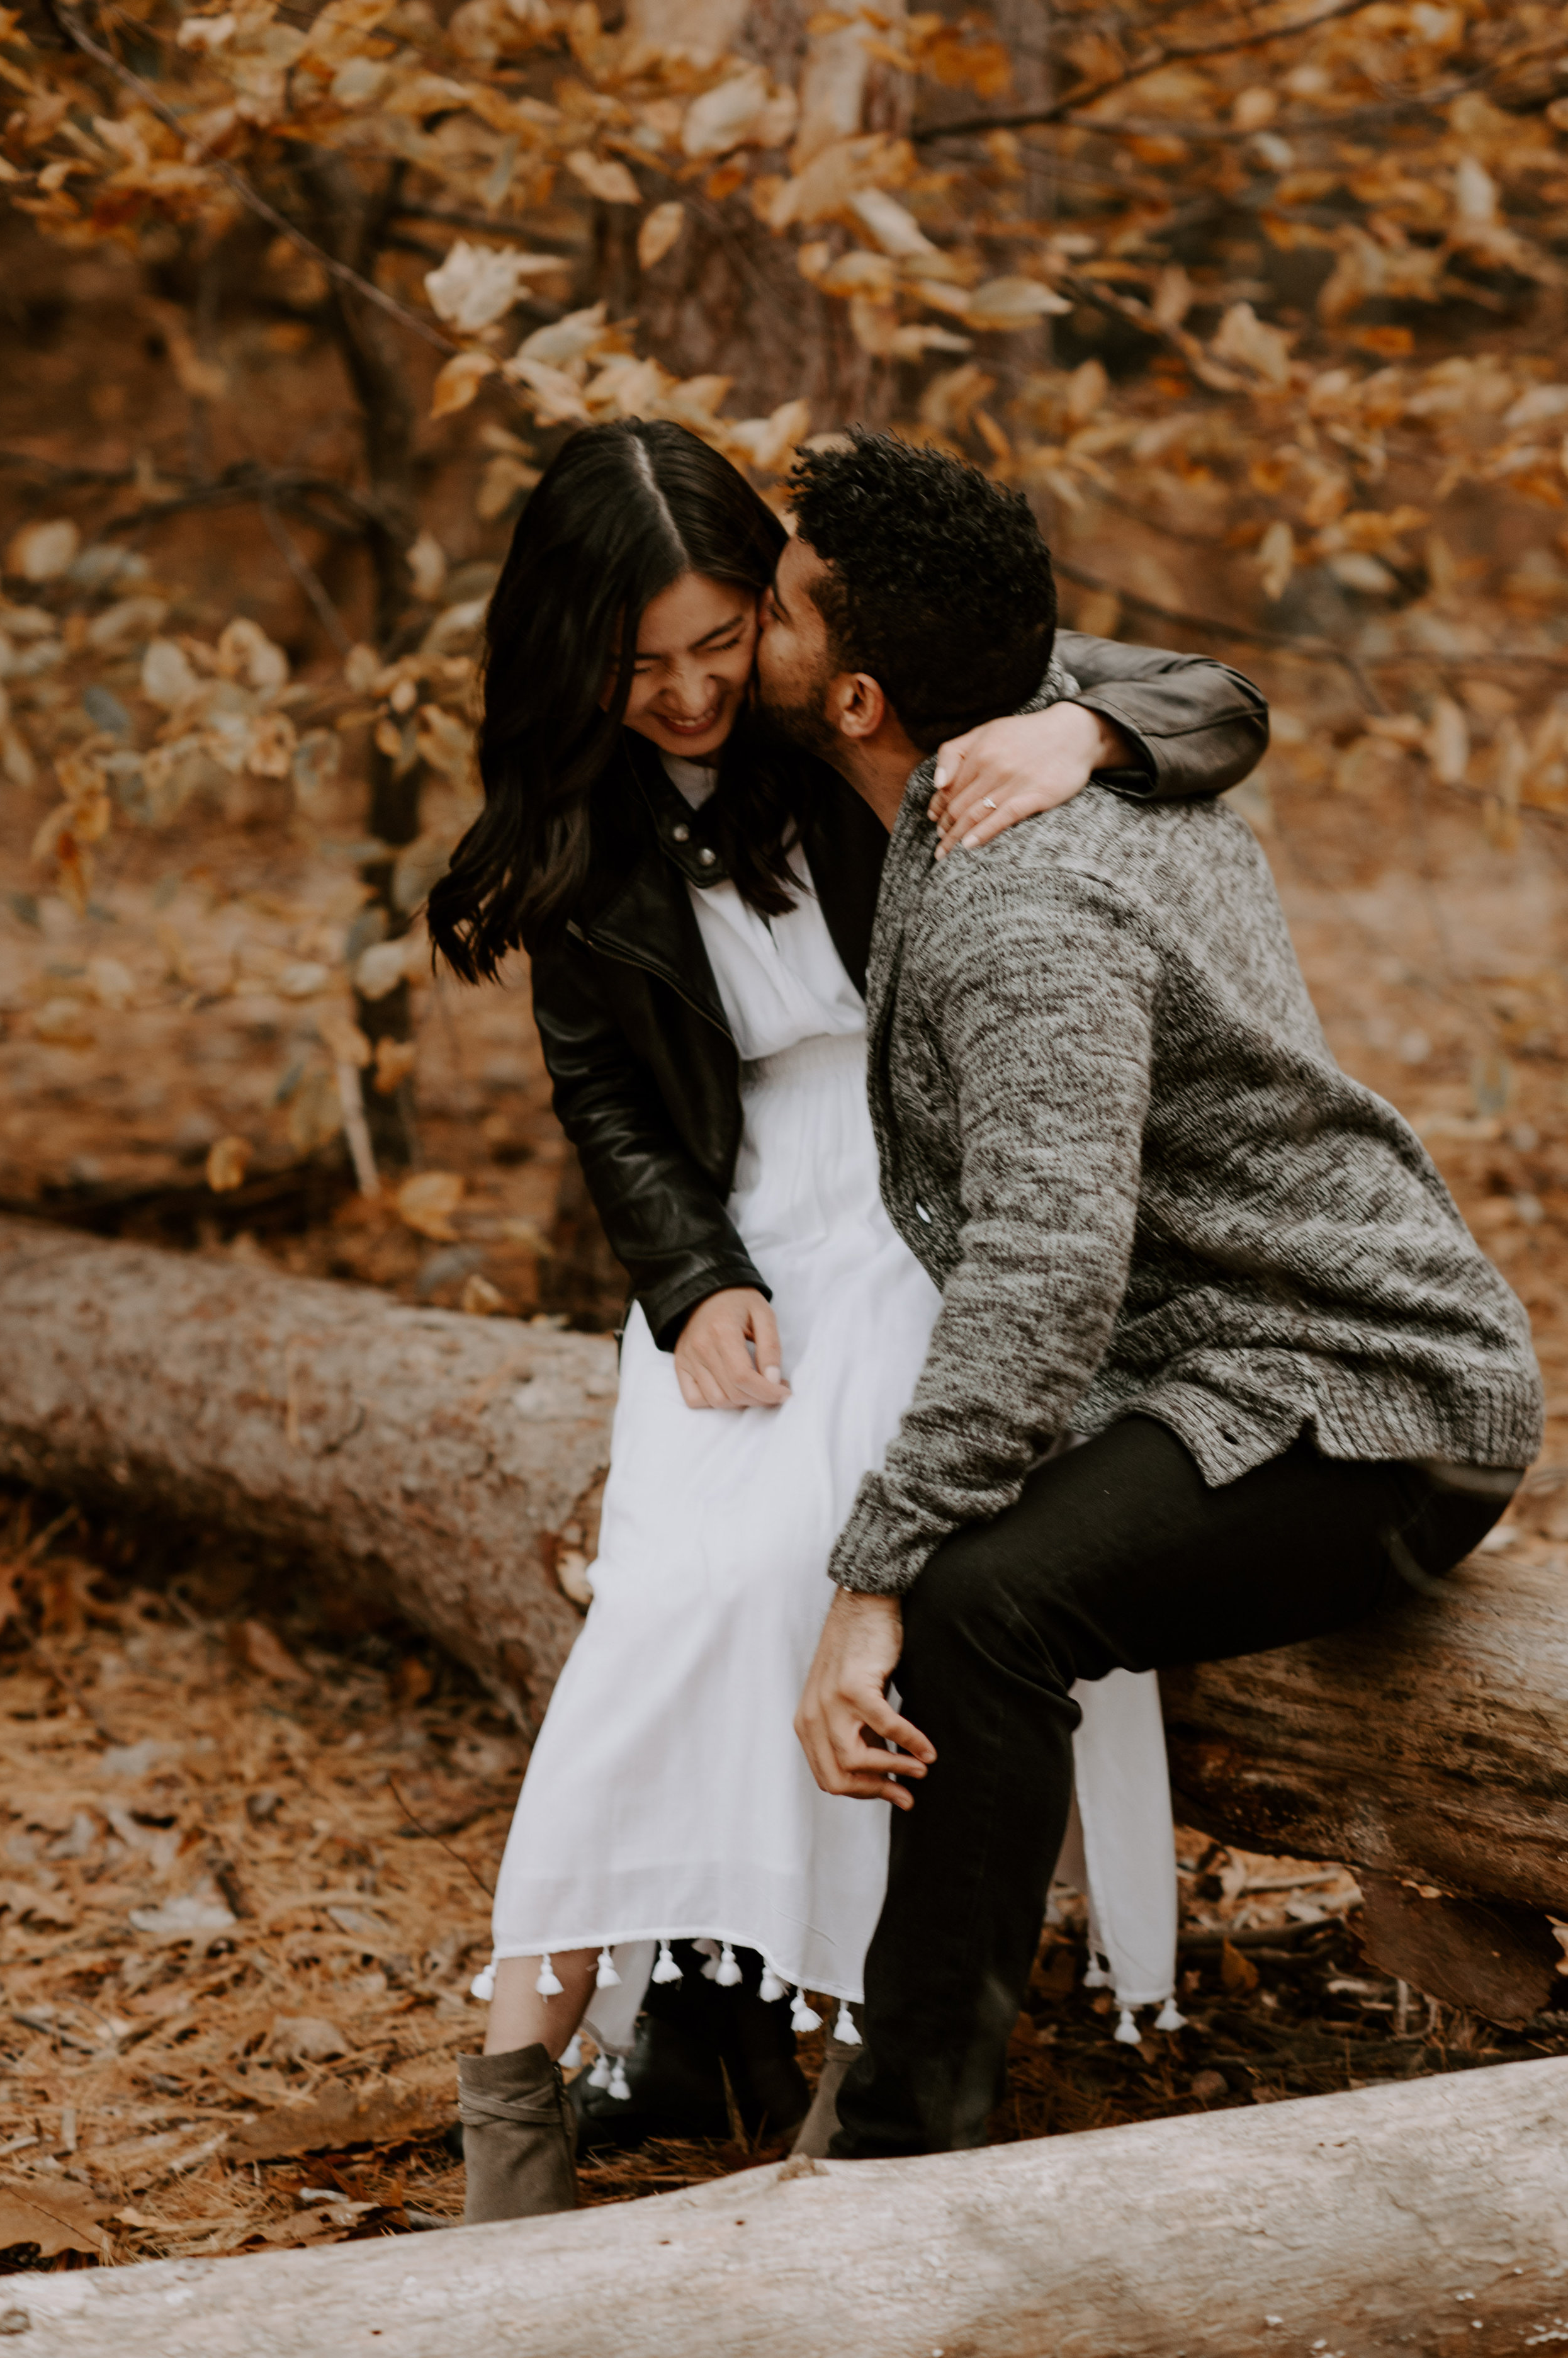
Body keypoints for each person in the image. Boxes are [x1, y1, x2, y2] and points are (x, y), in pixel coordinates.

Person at [426, 417, 1272, 2223]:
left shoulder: (861, 706)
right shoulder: (578, 800)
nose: (684, 692)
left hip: (920, 1188)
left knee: (835, 1572)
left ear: (767, 611)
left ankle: (855, 2048)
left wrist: (1086, 725)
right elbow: (609, 1100)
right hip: (744, 1232)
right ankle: (514, 2091)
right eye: (637, 662)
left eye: (716, 642)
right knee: (666, 1595)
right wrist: (692, 1280)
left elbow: (1207, 693)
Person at [748, 428, 1544, 2160]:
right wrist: (1091, 716)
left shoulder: (1024, 908)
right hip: (1224, 1370)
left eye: (784, 603)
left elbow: (1042, 1276)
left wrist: (873, 1575)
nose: (751, 610)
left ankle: (901, 2140)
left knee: (974, 1608)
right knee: (935, 1566)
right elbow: (1152, 684)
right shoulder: (1025, 748)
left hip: (1370, 1405)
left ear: (863, 695)